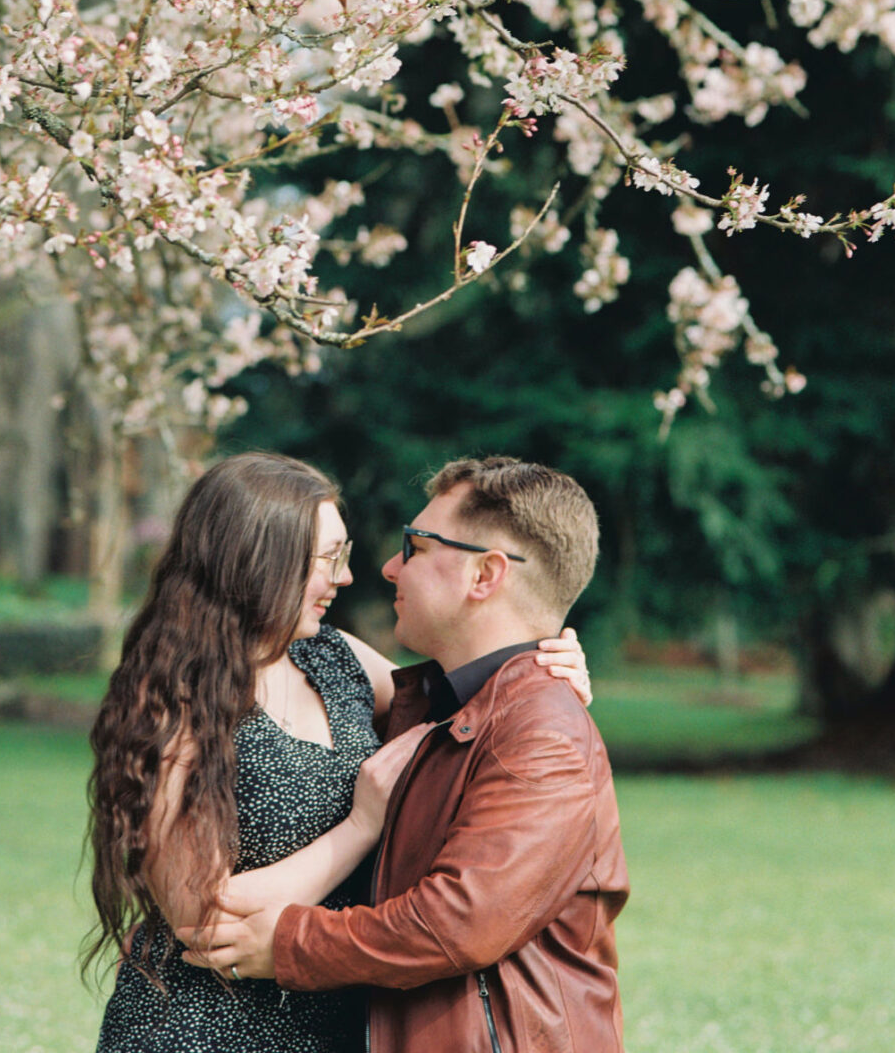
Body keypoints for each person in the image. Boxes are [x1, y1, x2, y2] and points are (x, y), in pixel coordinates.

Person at [86, 450, 592, 1053]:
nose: (347, 578)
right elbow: (201, 915)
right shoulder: (173, 696)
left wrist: (543, 670)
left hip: (340, 1016)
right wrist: (361, 825)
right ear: (260, 560)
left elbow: (470, 711)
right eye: (329, 559)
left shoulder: (338, 660)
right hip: (201, 1027)